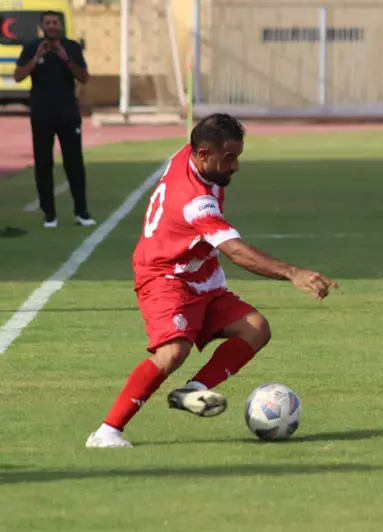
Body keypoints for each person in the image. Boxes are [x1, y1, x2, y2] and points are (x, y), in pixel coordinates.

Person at [86, 113, 339, 448]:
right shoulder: (196, 203)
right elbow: (236, 252)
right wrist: (293, 273)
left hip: (200, 273)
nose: (235, 166)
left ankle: (192, 390)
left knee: (256, 328)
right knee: (173, 352)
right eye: (229, 158)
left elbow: (208, 132)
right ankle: (107, 431)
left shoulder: (191, 154)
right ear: (204, 154)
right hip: (165, 275)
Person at [13, 10, 94, 229]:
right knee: (43, 165)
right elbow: (18, 76)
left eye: (55, 22)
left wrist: (66, 59)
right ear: (42, 26)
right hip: (41, 115)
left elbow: (84, 78)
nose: (51, 26)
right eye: (47, 23)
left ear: (61, 25)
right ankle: (49, 215)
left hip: (68, 115)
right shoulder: (32, 47)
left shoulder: (72, 47)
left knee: (74, 164)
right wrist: (36, 58)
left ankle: (81, 212)